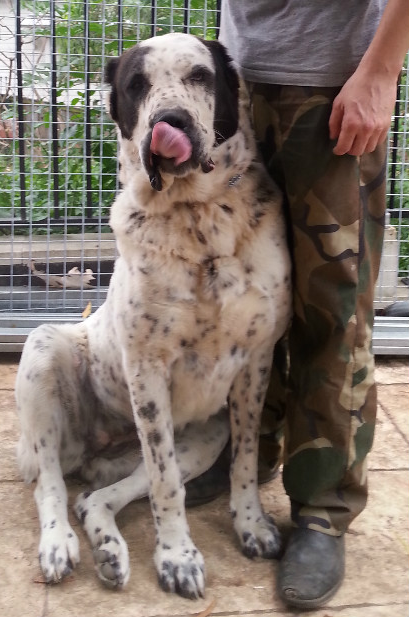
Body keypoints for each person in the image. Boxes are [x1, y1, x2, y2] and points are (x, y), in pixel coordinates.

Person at [216, 0, 409, 609]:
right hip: (241, 74)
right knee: (249, 297)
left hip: (334, 81)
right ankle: (252, 455)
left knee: (332, 310)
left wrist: (381, 70)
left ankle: (324, 509)